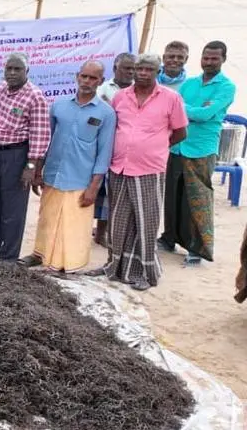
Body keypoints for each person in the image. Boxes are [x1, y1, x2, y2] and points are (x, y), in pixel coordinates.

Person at [92, 53, 188, 290]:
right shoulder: (121, 97)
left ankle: (146, 273)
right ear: (133, 71)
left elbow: (180, 132)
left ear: (157, 72)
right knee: (118, 220)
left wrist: (153, 147)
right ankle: (113, 267)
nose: (143, 73)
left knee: (146, 222)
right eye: (139, 69)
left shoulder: (170, 98)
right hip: (119, 167)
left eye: (149, 69)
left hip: (149, 168)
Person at [23, 61, 116, 272]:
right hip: (54, 173)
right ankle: (40, 255)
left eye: (93, 78)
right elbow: (45, 140)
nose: (87, 81)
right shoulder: (58, 105)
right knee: (47, 218)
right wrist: (38, 170)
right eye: (84, 76)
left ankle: (69, 264)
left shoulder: (106, 113)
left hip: (81, 179)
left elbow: (104, 153)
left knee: (74, 225)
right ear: (77, 77)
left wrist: (94, 187)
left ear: (100, 81)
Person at [164, 41, 236, 265]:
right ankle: (169, 239)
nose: (209, 62)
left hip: (202, 149)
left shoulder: (226, 86)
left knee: (197, 200)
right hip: (177, 146)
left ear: (223, 59)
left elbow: (205, 115)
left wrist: (187, 110)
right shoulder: (190, 83)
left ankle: (198, 250)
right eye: (206, 58)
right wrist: (194, 110)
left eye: (214, 58)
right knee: (173, 196)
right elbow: (173, 110)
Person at [0, 53, 51, 262]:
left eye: (17, 69)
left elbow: (40, 134)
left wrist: (30, 166)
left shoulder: (35, 96)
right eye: (9, 68)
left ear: (26, 71)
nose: (11, 73)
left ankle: (8, 257)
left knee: (13, 210)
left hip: (15, 156)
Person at [94, 52, 136, 245]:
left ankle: (116, 235)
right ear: (115, 69)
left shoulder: (139, 91)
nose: (130, 72)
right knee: (103, 192)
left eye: (132, 68)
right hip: (105, 146)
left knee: (120, 193)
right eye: (125, 68)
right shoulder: (102, 90)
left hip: (129, 149)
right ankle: (101, 234)